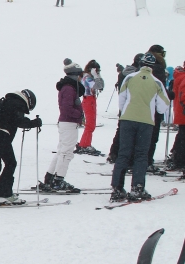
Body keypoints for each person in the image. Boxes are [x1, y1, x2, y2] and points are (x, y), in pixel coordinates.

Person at [110, 53, 169, 202]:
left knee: (123, 153)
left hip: (127, 120)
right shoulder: (156, 82)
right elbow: (163, 106)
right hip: (146, 122)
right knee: (141, 155)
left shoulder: (130, 78)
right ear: (153, 67)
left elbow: (121, 99)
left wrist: (126, 113)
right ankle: (137, 187)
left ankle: (117, 188)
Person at [0, 90, 40, 205]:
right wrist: (34, 123)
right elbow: (19, 121)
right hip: (1, 135)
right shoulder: (17, 104)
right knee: (11, 163)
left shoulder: (3, 102)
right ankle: (4, 193)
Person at [39, 60, 84, 193]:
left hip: (66, 122)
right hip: (69, 123)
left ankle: (51, 177)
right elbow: (66, 108)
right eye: (80, 75)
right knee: (66, 152)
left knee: (61, 151)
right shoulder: (69, 88)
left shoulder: (67, 87)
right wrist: (79, 115)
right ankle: (58, 180)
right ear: (75, 75)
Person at [76, 60, 105, 156]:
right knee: (90, 125)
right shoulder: (87, 78)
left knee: (91, 124)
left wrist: (98, 76)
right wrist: (96, 76)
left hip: (90, 100)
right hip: (89, 101)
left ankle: (85, 143)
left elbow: (101, 86)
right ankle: (84, 144)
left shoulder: (87, 77)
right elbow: (99, 85)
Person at [169, 60, 185, 173]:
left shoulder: (179, 76)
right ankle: (179, 160)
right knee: (182, 137)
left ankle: (176, 157)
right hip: (182, 112)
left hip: (180, 111)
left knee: (182, 136)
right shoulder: (183, 77)